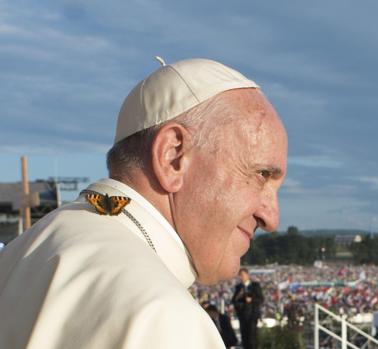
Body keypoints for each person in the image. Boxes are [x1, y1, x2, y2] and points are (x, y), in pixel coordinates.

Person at [0, 57, 288, 348]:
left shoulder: (24, 251)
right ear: (173, 156)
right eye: (261, 174)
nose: (272, 218)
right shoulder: (163, 317)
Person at [233, 268, 264, 349]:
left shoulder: (255, 285)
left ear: (247, 275)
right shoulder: (238, 287)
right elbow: (233, 301)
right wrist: (239, 296)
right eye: (240, 275)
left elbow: (260, 299)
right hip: (242, 315)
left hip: (252, 315)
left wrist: (251, 300)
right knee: (244, 337)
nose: (241, 277)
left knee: (252, 337)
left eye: (242, 275)